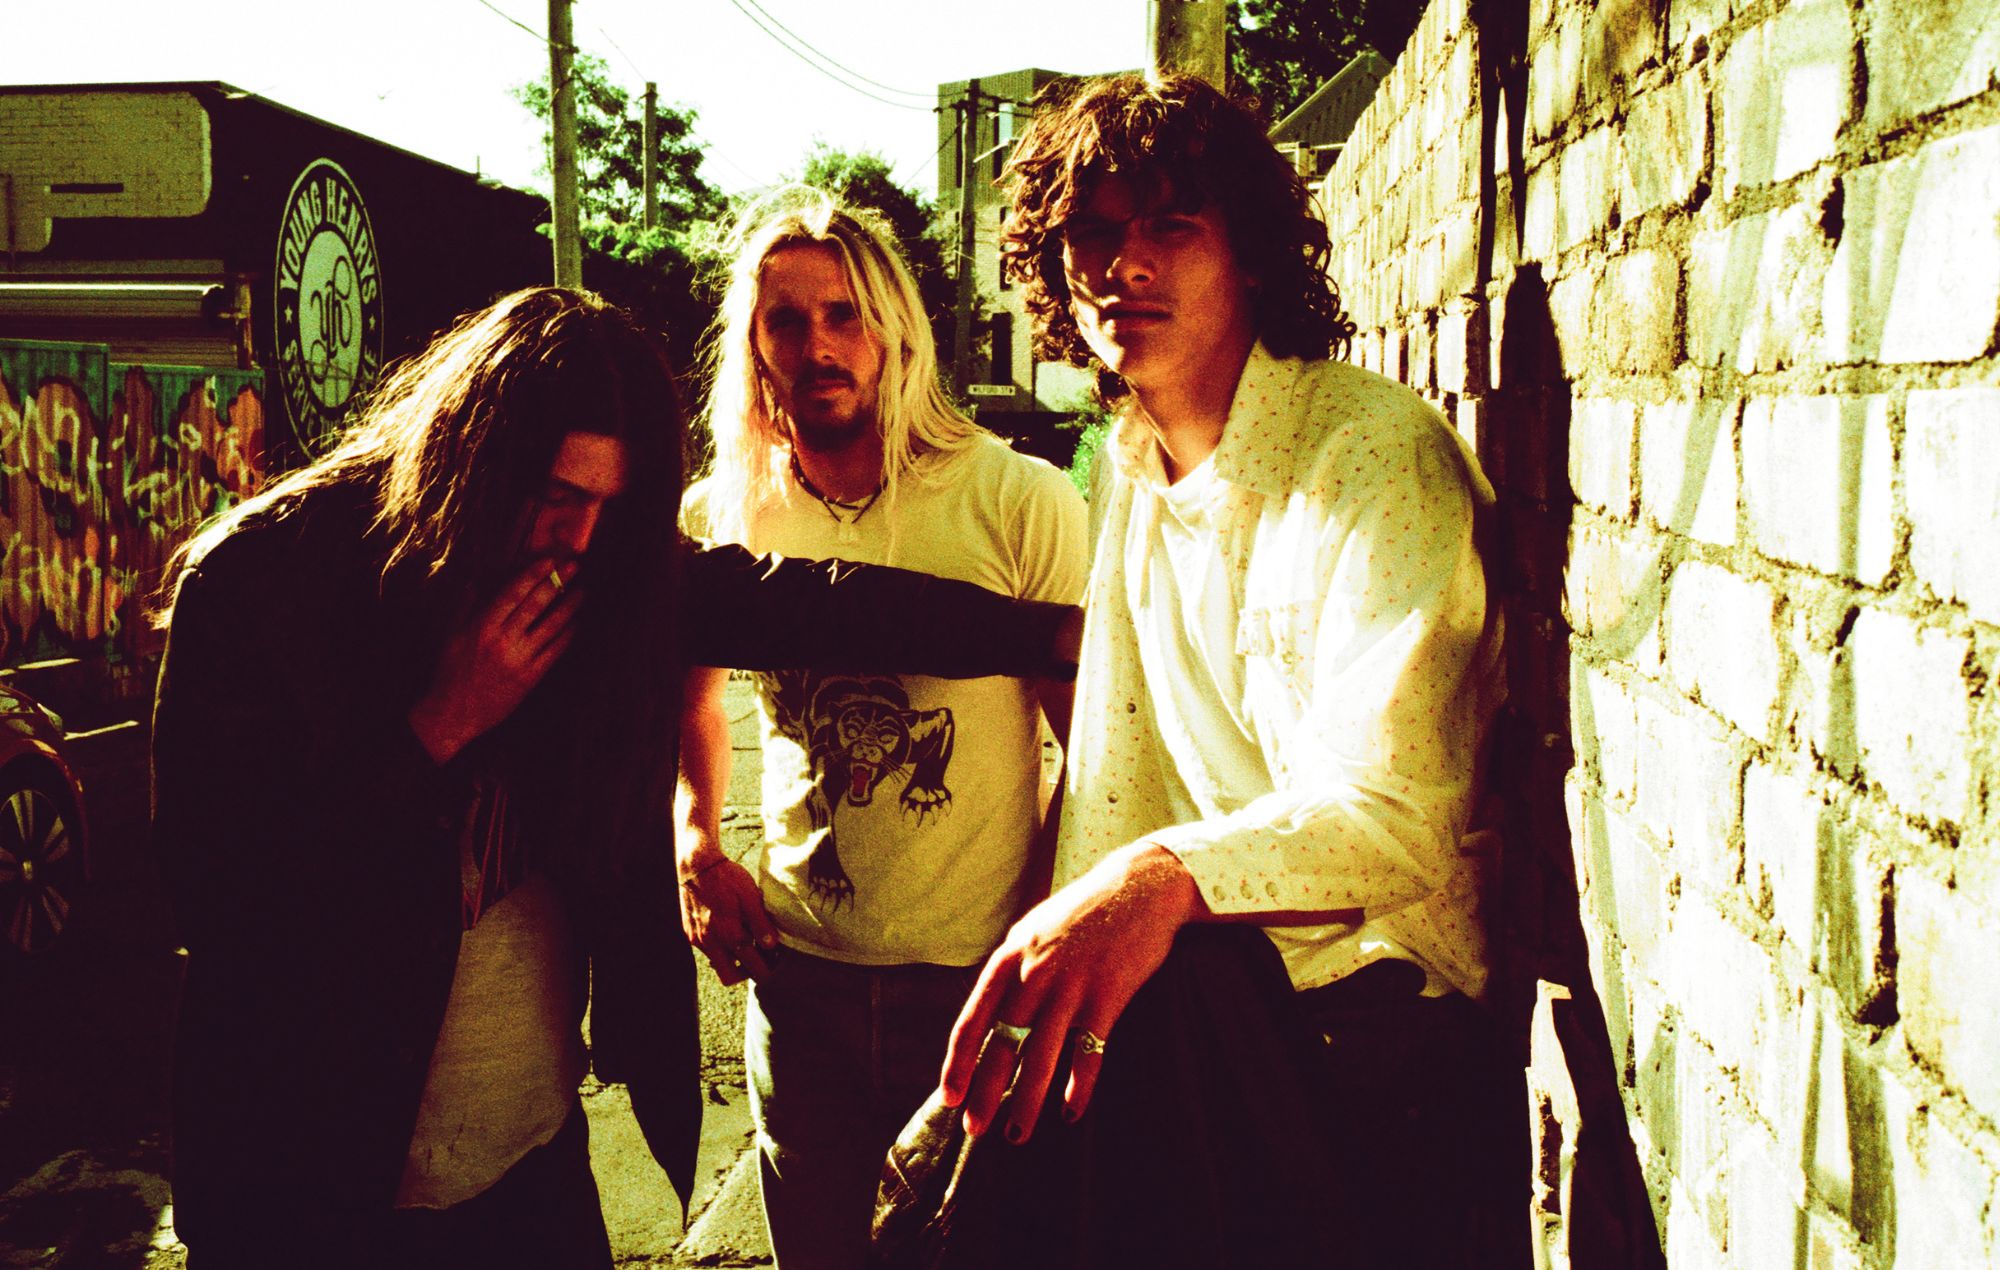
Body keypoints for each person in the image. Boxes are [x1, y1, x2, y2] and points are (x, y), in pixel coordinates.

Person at [150, 287, 1080, 1270]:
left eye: (611, 506)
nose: (579, 536)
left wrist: (1046, 634)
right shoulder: (262, 579)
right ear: (470, 457)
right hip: (311, 1181)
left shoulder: (598, 569)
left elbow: (807, 606)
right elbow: (211, 892)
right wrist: (441, 724)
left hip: (530, 1165)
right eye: (557, 496)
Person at [929, 73, 1525, 1266]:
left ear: (1247, 252)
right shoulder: (1129, 469)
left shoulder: (1368, 454)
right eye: (1088, 233)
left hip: (1376, 1054)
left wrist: (1153, 881)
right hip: (1200, 1039)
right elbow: (1113, 788)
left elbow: (1393, 815)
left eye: (1169, 225)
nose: (1122, 265)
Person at [675, 190, 1087, 1269]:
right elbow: (692, 697)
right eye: (785, 319)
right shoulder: (721, 513)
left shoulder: (1016, 499)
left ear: (896, 327)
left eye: (844, 313)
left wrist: (1039, 943)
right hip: (797, 982)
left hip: (973, 981)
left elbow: (1092, 749)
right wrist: (697, 841)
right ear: (752, 345)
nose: (818, 344)